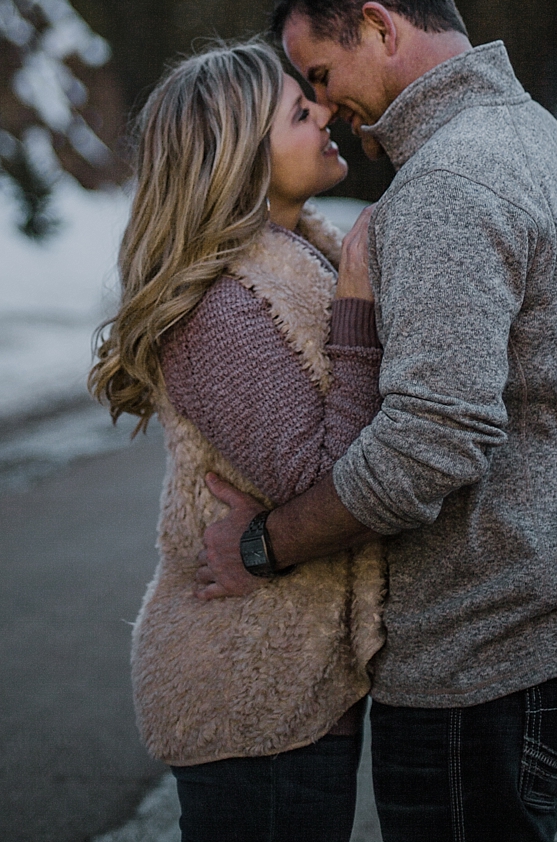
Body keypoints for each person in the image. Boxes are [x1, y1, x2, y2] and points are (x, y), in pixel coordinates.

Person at [196, 0, 557, 842]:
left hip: (489, 654)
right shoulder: (541, 142)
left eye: (320, 76)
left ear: (376, 26)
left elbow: (429, 442)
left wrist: (264, 546)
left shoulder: (449, 182)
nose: (328, 110)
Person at [90, 42, 387, 842]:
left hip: (289, 676)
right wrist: (358, 312)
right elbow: (330, 479)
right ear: (238, 161)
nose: (324, 112)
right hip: (248, 687)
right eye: (299, 113)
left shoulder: (299, 262)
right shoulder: (219, 308)